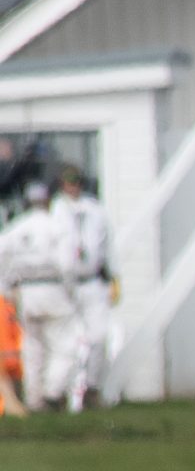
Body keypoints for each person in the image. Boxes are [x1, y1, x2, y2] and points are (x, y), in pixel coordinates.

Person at [0, 183, 86, 411]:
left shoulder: (16, 227)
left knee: (32, 346)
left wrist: (7, 289)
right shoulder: (56, 227)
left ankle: (33, 398)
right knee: (64, 343)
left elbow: (2, 257)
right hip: (52, 287)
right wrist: (70, 291)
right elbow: (67, 264)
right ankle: (52, 391)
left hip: (26, 290)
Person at [52, 168, 113, 408]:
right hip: (64, 283)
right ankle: (58, 392)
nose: (72, 187)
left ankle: (92, 387)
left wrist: (113, 276)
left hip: (91, 280)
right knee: (65, 341)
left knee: (99, 335)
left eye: (76, 182)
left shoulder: (95, 210)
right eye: (68, 182)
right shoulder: (56, 210)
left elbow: (107, 245)